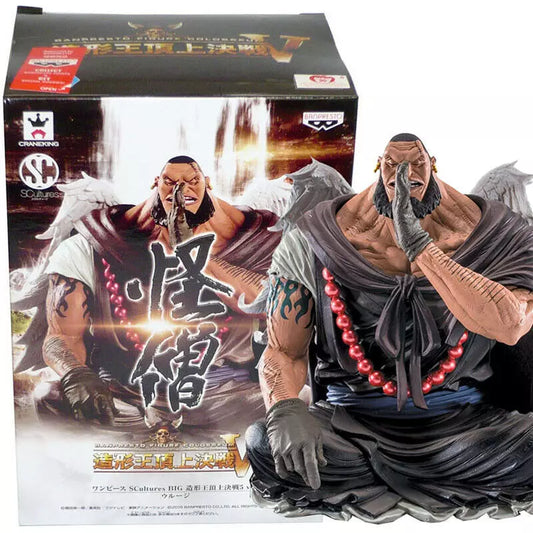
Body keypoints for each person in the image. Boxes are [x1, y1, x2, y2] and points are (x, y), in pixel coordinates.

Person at [245, 134, 533, 522]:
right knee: (264, 445)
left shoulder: (498, 235)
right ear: (378, 167)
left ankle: (400, 480)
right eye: (393, 167)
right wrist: (285, 409)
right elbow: (283, 351)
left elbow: (511, 325)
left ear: (433, 165)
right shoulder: (311, 240)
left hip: (465, 429)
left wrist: (422, 248)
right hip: (349, 428)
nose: (404, 178)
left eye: (416, 167)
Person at [38, 155, 281, 435]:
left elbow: (269, 303)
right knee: (49, 397)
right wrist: (75, 374)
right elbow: (60, 337)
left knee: (292, 402)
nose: (181, 191)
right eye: (170, 182)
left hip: (225, 396)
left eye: (192, 182)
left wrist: (194, 254)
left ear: (207, 184)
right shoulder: (89, 245)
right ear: (156, 183)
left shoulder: (260, 240)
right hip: (123, 395)